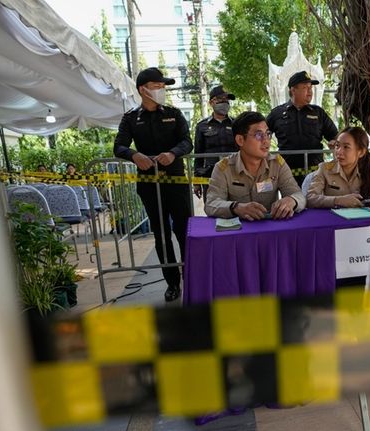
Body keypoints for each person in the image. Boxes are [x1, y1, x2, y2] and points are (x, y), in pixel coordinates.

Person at [114, 67, 193, 302]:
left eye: (162, 87)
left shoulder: (174, 113)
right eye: (157, 87)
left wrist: (173, 153)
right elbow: (118, 146)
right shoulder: (130, 117)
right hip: (149, 185)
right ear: (143, 90)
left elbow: (187, 142)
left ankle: (192, 276)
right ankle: (172, 283)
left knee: (185, 232)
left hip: (176, 182)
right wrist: (133, 155)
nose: (161, 91)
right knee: (161, 235)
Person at [205, 111, 305, 220]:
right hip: (238, 231)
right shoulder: (223, 168)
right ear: (240, 140)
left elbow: (298, 195)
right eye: (258, 135)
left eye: (267, 134)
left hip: (268, 228)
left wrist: (292, 200)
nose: (266, 141)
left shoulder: (277, 164)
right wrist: (236, 207)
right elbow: (211, 204)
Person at [266, 70, 338, 185]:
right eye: (305, 87)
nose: (310, 91)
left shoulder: (318, 112)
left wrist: (334, 142)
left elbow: (335, 136)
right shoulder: (277, 113)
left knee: (315, 201)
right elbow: (262, 135)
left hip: (315, 172)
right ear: (293, 90)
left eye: (311, 88)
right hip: (287, 173)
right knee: (291, 201)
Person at [306, 126, 370, 208]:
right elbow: (310, 198)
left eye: (346, 147)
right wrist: (337, 200)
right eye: (337, 146)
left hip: (361, 223)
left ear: (361, 152)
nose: (339, 151)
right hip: (333, 223)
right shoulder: (325, 169)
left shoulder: (368, 171)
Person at [193, 85, 238, 200]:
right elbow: (198, 155)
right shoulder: (202, 126)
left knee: (238, 210)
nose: (225, 102)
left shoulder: (236, 124)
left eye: (227, 100)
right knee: (213, 210)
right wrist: (197, 182)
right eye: (221, 99)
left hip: (235, 174)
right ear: (211, 102)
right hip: (211, 175)